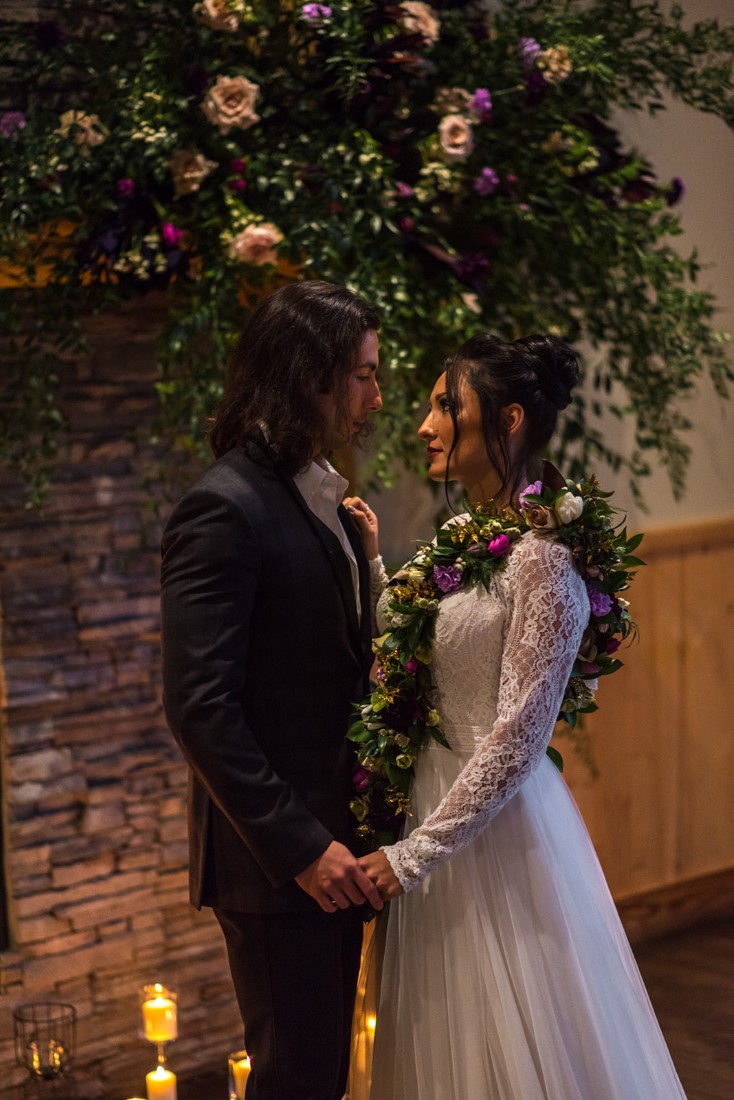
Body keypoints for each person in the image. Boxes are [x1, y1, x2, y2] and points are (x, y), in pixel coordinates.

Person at [349, 333, 686, 1099]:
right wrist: (370, 561)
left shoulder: (543, 560)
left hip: (496, 836)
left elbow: (519, 735)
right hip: (434, 813)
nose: (425, 426)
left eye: (446, 406)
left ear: (505, 421)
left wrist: (412, 855)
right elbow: (417, 656)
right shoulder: (466, 542)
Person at [160, 280, 385, 1100]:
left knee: (319, 1077)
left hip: (332, 850)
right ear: (308, 375)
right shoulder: (224, 508)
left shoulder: (313, 487)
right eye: (362, 374)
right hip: (283, 865)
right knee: (295, 1081)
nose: (376, 396)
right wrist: (301, 847)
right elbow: (198, 704)